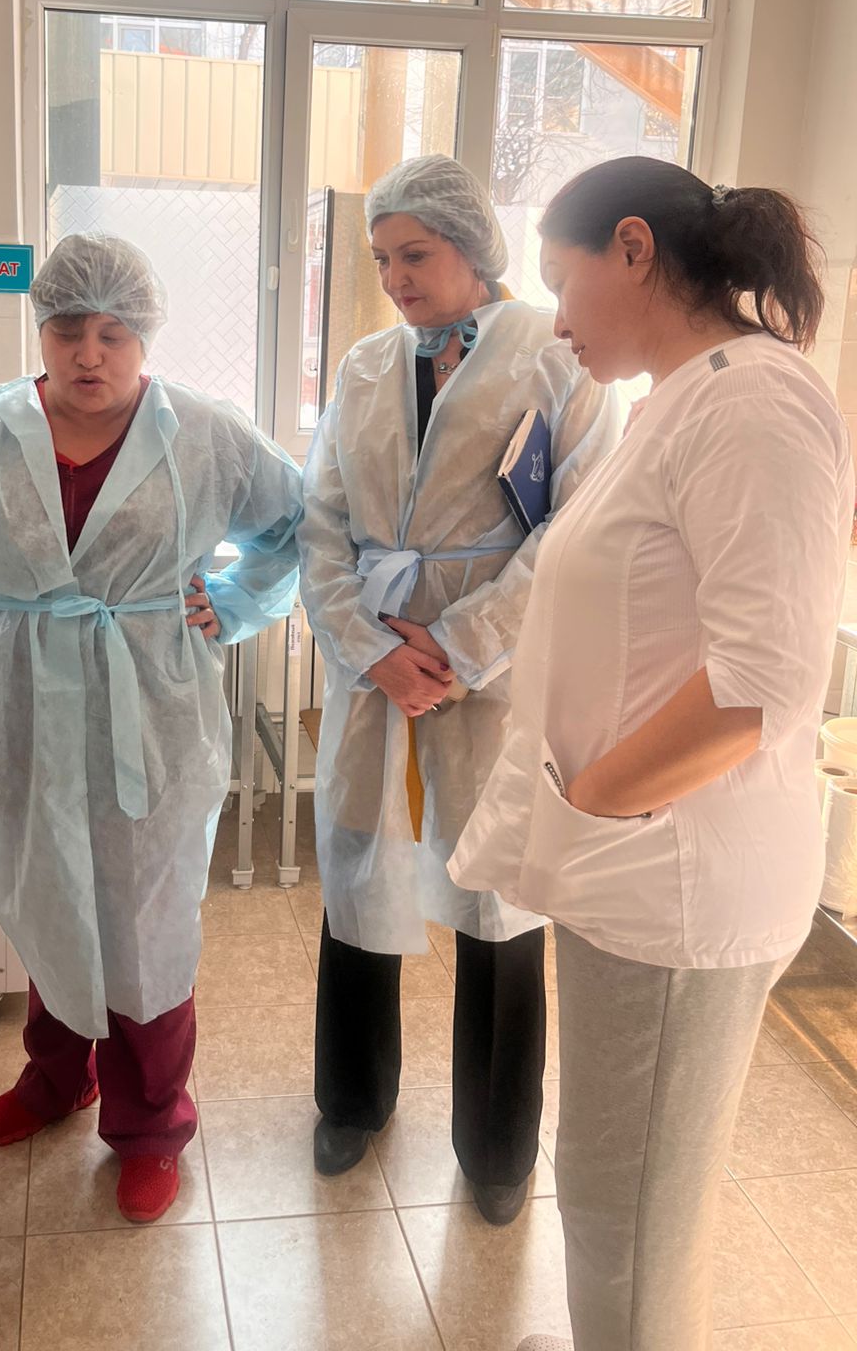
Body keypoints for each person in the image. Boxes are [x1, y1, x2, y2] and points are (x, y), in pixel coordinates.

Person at [449, 158, 853, 1351]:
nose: (555, 322)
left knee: (629, 1217)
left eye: (561, 282)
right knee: (613, 1186)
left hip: (676, 882)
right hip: (636, 870)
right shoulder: (685, 397)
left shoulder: (755, 403)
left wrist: (596, 798)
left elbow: (761, 682)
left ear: (633, 248)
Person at [0, 234, 302, 1225]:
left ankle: (152, 1125)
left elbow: (299, 525)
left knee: (145, 921)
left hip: (152, 709)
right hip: (25, 701)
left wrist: (235, 601)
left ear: (145, 336)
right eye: (68, 329)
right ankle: (55, 1080)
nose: (89, 353)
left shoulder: (207, 434)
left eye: (113, 333)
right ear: (40, 329)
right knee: (46, 897)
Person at [298, 154, 622, 1224]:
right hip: (374, 675)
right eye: (381, 259)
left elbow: (575, 534)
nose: (396, 277)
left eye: (415, 254)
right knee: (360, 878)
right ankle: (352, 1099)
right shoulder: (363, 367)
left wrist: (456, 645)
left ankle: (497, 1147)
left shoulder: (559, 359)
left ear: (475, 249)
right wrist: (369, 649)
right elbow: (321, 525)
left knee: (498, 904)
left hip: (495, 683)